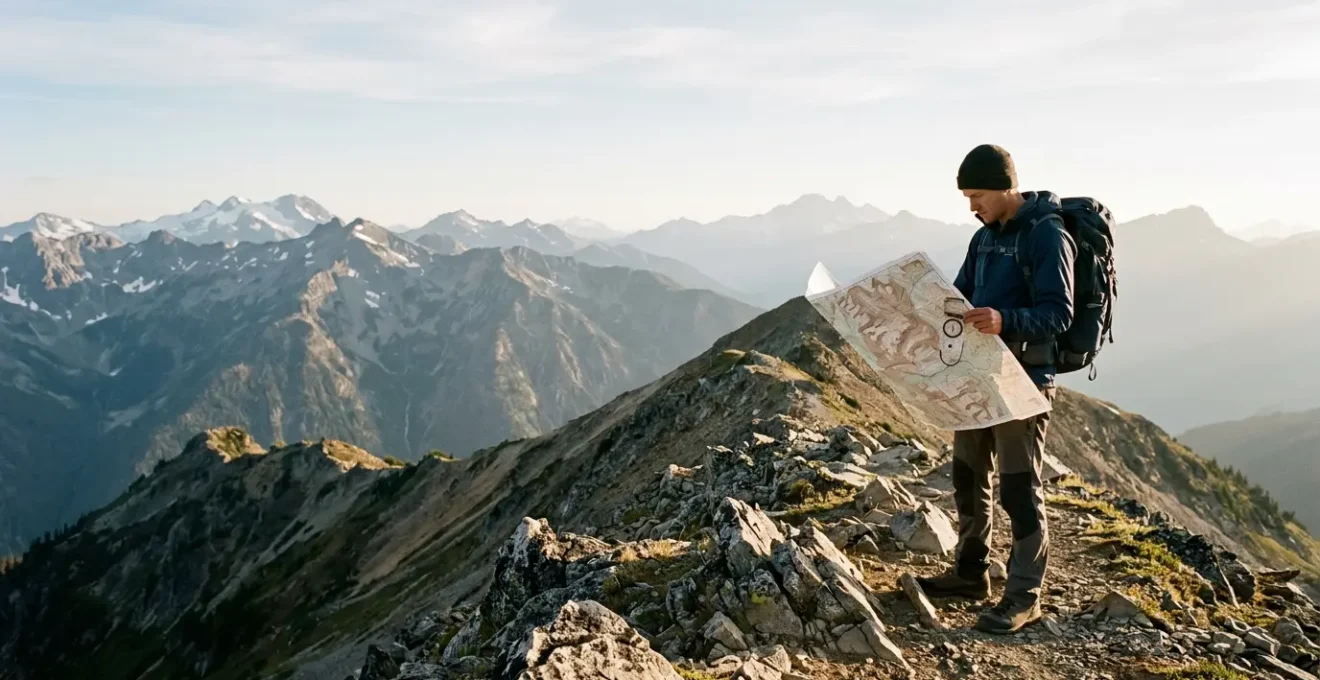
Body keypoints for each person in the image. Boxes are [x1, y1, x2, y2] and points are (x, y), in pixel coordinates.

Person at [916, 143, 1078, 635]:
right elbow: (962, 295)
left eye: (978, 194)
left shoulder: (1048, 236)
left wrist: (1005, 319)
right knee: (967, 476)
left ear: (1007, 186)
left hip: (1025, 382)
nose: (972, 206)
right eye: (967, 196)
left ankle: (1024, 597)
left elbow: (1060, 313)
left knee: (1018, 490)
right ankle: (970, 574)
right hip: (978, 377)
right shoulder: (983, 239)